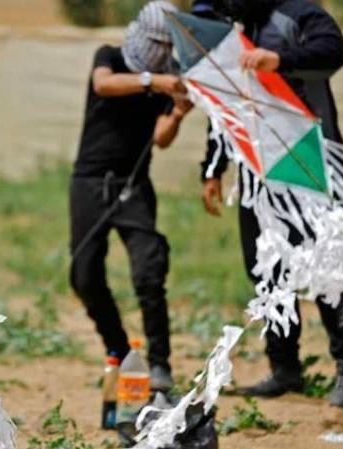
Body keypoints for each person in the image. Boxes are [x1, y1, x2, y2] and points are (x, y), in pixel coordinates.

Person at [197, 0, 343, 407]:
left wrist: (280, 60)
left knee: (325, 266)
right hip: (257, 171)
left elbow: (333, 49)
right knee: (267, 270)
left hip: (308, 159)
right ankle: (285, 367)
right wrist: (213, 168)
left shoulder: (299, 13)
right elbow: (229, 103)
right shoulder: (236, 29)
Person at [70, 0, 193, 392]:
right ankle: (120, 351)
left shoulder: (168, 78)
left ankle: (160, 364)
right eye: (157, 44)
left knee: (149, 272)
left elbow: (161, 139)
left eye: (167, 47)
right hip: (90, 181)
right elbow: (103, 84)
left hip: (133, 184)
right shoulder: (110, 57)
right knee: (84, 275)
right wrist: (154, 82)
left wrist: (178, 112)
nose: (160, 53)